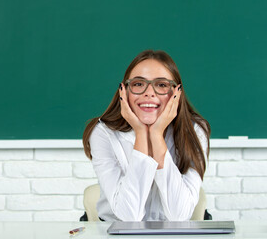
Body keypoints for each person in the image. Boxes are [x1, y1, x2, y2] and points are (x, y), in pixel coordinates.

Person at [82, 50, 210, 221]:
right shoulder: (103, 133)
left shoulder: (195, 131)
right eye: (138, 84)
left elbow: (179, 215)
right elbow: (129, 217)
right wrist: (141, 133)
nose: (149, 92)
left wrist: (156, 135)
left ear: (176, 93)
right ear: (124, 91)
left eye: (162, 85)